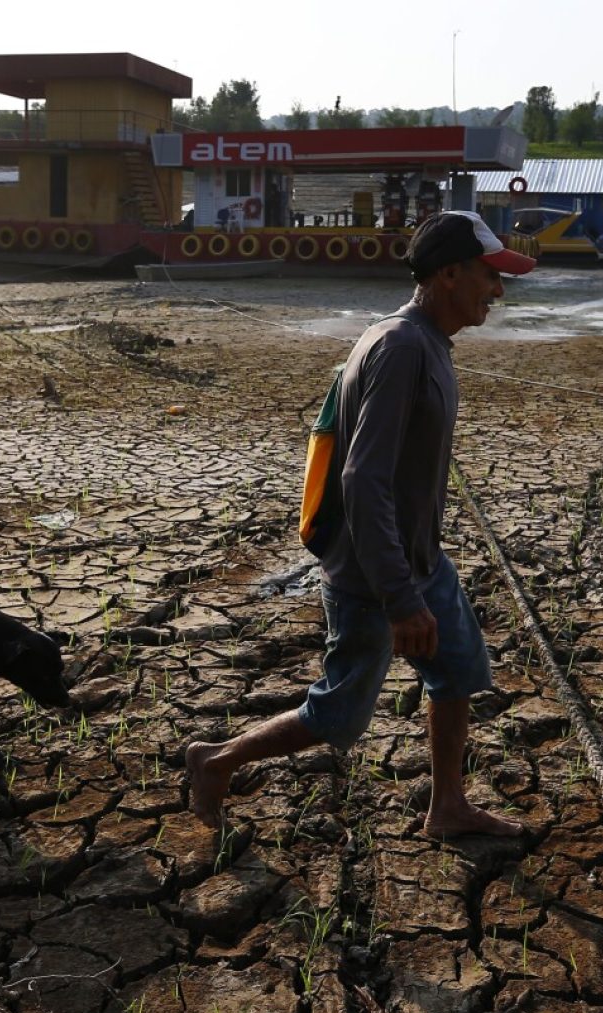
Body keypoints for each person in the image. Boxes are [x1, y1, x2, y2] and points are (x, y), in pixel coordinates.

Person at [187, 210, 537, 837]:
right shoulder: (400, 348)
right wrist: (400, 600)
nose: (499, 291)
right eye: (490, 275)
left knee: (458, 671)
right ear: (449, 273)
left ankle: (447, 807)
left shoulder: (424, 341)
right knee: (339, 713)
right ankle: (216, 760)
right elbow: (362, 479)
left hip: (419, 559)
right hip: (375, 577)